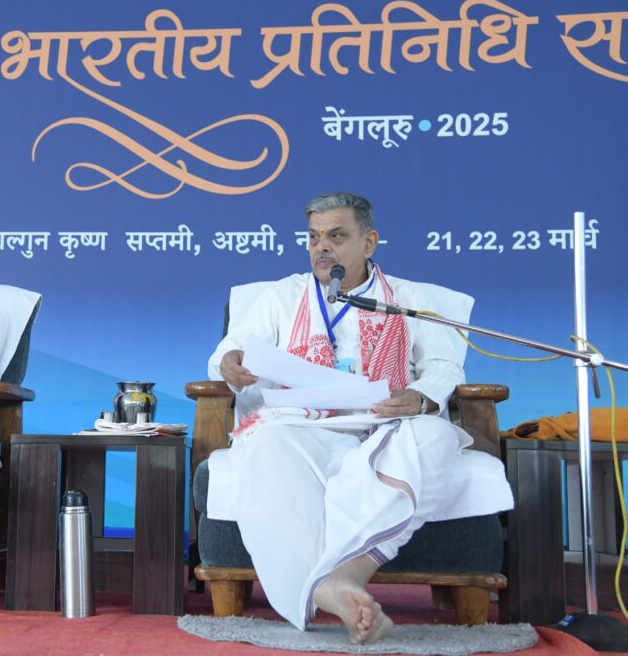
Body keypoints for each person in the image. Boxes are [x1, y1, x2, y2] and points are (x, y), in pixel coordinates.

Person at [206, 192, 513, 643]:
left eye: (336, 236)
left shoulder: (410, 300)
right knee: (265, 445)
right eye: (313, 238)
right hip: (304, 426)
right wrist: (230, 363)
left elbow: (444, 369)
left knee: (437, 437)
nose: (321, 248)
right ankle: (336, 588)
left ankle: (346, 576)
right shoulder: (281, 297)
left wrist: (421, 398)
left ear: (369, 243)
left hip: (387, 424)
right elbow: (228, 353)